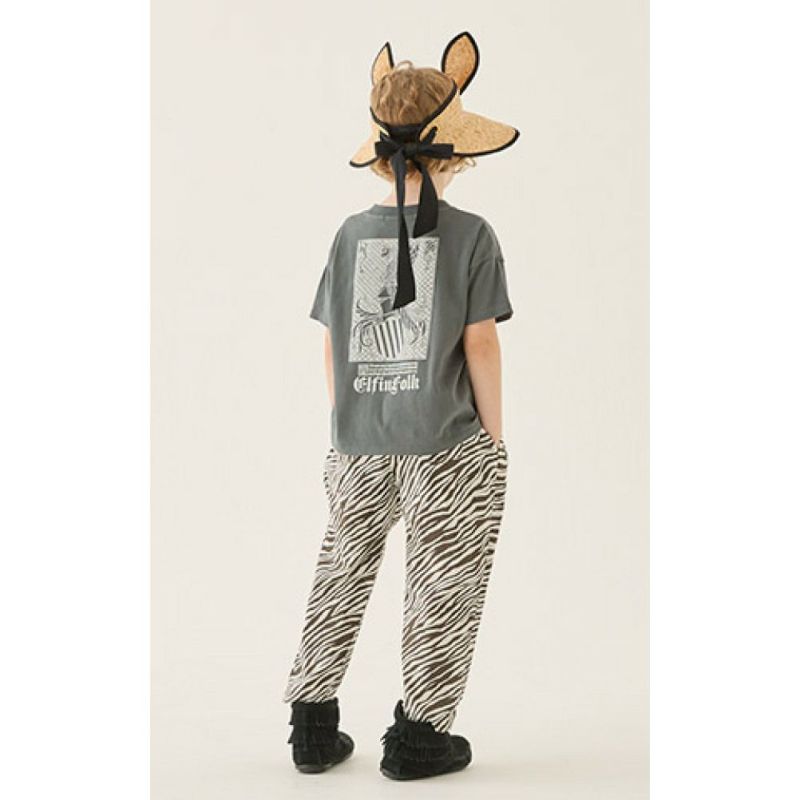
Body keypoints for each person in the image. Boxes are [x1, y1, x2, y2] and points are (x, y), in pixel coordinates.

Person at [282, 31, 520, 780]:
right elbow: (481, 344)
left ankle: (312, 725)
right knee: (443, 580)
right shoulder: (472, 236)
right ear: (453, 153)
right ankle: (419, 737)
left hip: (358, 439)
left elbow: (333, 342)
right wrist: (493, 438)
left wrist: (351, 419)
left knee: (341, 571)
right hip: (444, 441)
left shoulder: (349, 235)